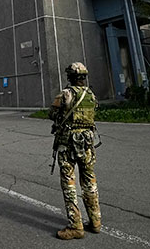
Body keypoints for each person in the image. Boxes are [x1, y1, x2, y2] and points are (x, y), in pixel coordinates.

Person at [48, 62, 102, 240]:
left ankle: (75, 226)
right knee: (89, 181)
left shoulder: (65, 94)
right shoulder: (92, 95)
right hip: (88, 144)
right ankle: (95, 222)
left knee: (69, 184)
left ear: (70, 77)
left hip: (68, 145)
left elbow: (52, 114)